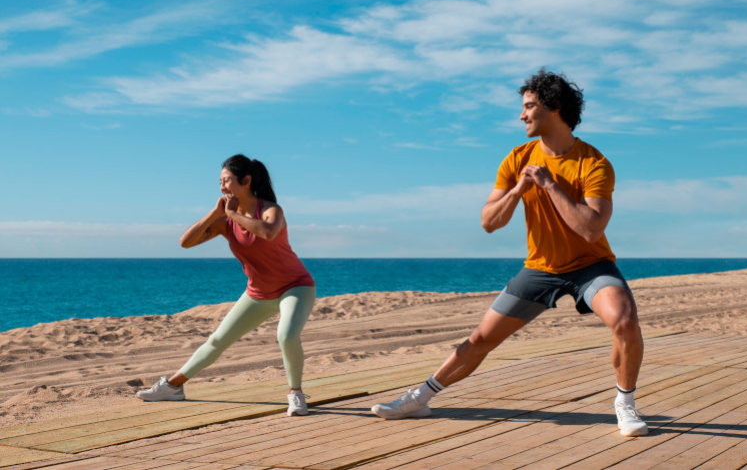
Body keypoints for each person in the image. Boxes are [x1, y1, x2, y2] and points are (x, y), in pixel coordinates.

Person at [371, 69, 648, 437]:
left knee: (625, 321)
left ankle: (624, 405)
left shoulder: (594, 163)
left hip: (590, 266)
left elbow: (592, 227)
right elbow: (489, 222)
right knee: (481, 339)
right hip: (540, 268)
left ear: (555, 108)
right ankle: (419, 398)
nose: (522, 115)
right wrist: (518, 190)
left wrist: (549, 184)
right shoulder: (517, 159)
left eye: (529, 106)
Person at [136, 154, 316, 417]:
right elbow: (185, 242)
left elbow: (267, 232)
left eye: (227, 181)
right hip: (258, 292)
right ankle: (173, 387)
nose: (222, 187)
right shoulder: (225, 221)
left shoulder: (270, 210)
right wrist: (216, 214)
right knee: (217, 340)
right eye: (220, 182)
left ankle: (296, 394)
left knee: (286, 335)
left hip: (295, 286)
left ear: (246, 181)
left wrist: (232, 213)